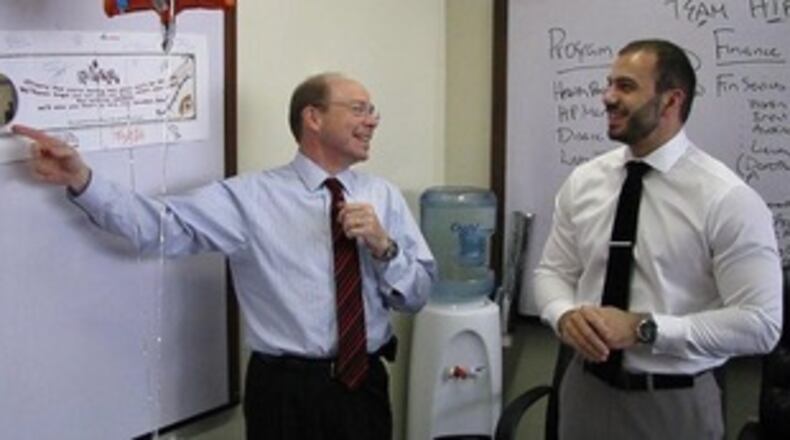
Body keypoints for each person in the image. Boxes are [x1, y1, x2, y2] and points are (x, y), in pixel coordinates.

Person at [12, 72, 436, 440]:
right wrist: (82, 179)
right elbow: (155, 227)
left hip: (364, 386)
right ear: (314, 117)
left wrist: (386, 248)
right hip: (285, 394)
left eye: (373, 110)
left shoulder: (383, 197)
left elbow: (416, 297)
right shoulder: (248, 199)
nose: (373, 120)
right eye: (360, 109)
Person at [534, 39, 783, 439]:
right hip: (584, 392)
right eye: (609, 84)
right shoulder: (585, 182)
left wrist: (643, 328)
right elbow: (552, 272)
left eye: (626, 87)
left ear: (671, 101)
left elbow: (761, 323)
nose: (608, 97)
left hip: (673, 404)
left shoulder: (726, 198)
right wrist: (564, 314)